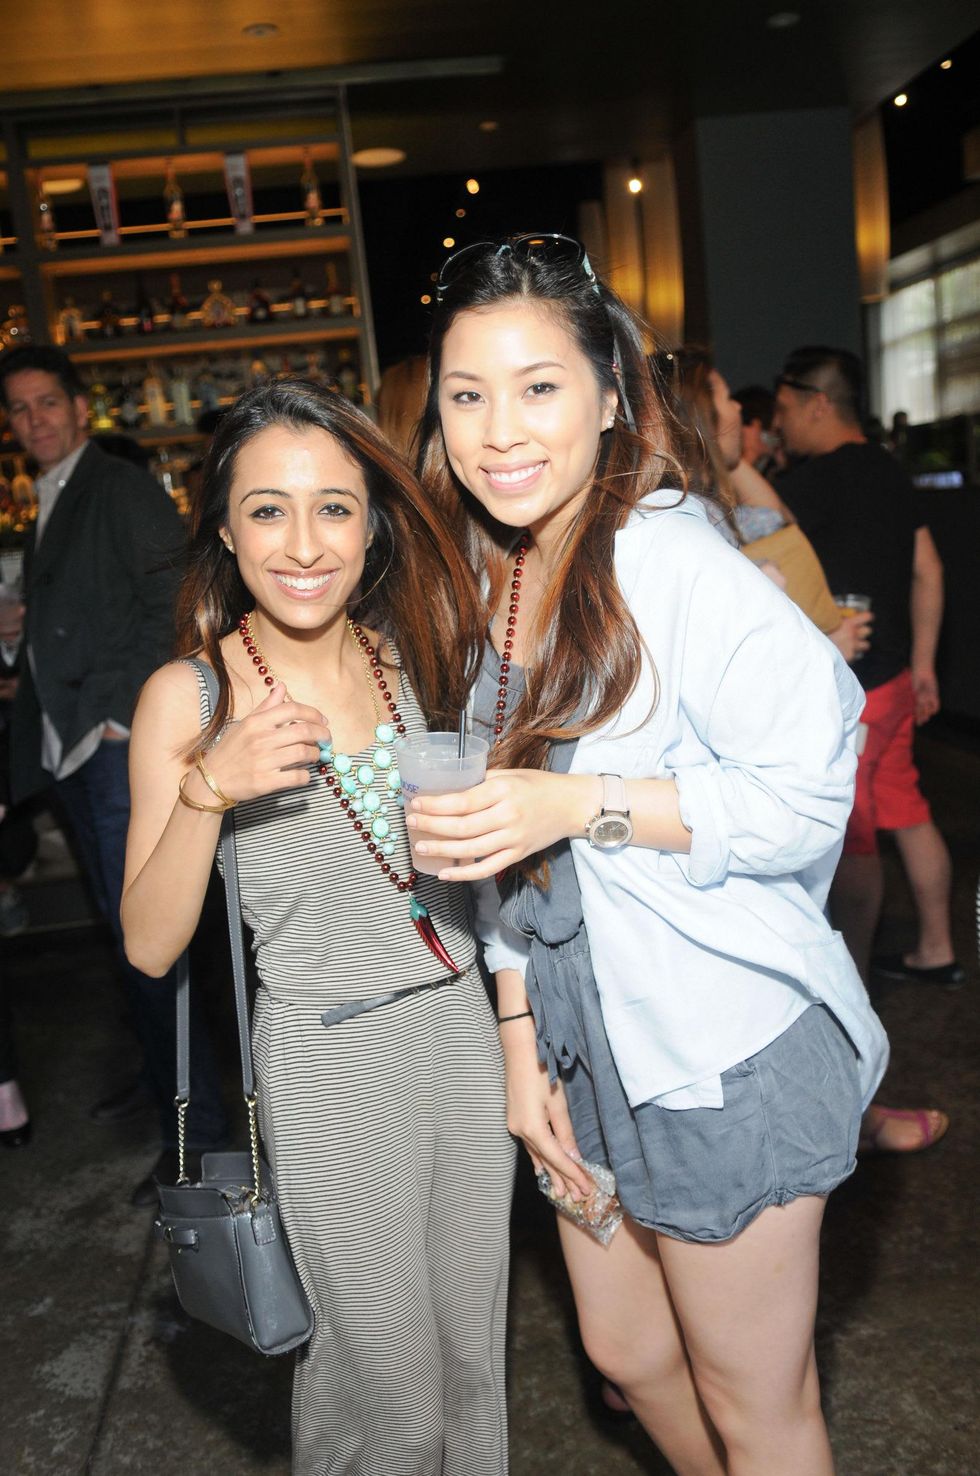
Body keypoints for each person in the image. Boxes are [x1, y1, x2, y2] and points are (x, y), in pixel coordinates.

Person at [412, 234, 889, 1476]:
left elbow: (803, 796)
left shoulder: (666, 557)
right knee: (627, 1355)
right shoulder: (501, 575)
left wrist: (579, 806)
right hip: (580, 1039)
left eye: (537, 387)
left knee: (757, 1406)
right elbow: (493, 853)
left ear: (610, 395)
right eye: (467, 394)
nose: (498, 430)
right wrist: (520, 1049)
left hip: (715, 1044)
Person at [120, 378, 513, 1476]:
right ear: (224, 527)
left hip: (459, 1031)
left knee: (474, 1368)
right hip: (330, 1058)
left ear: (373, 522)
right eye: (268, 508)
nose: (304, 543)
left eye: (335, 506)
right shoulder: (188, 699)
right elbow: (149, 947)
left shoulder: (411, 661)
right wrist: (208, 790)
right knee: (383, 1390)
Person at [0, 344, 229, 1200]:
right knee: (128, 941)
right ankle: (164, 1089)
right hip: (75, 751)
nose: (35, 420)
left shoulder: (117, 486)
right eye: (20, 410)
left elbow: (178, 595)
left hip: (109, 746)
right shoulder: (53, 495)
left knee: (151, 949)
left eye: (47, 403)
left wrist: (116, 715)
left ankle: (200, 1135)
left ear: (80, 406)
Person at [772, 347, 964, 1000]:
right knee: (908, 813)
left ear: (817, 404)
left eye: (783, 411)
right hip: (898, 680)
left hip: (855, 692)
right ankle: (937, 949)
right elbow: (929, 569)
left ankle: (849, 989)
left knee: (852, 836)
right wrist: (926, 665)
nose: (779, 426)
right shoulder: (889, 468)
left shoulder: (814, 481)